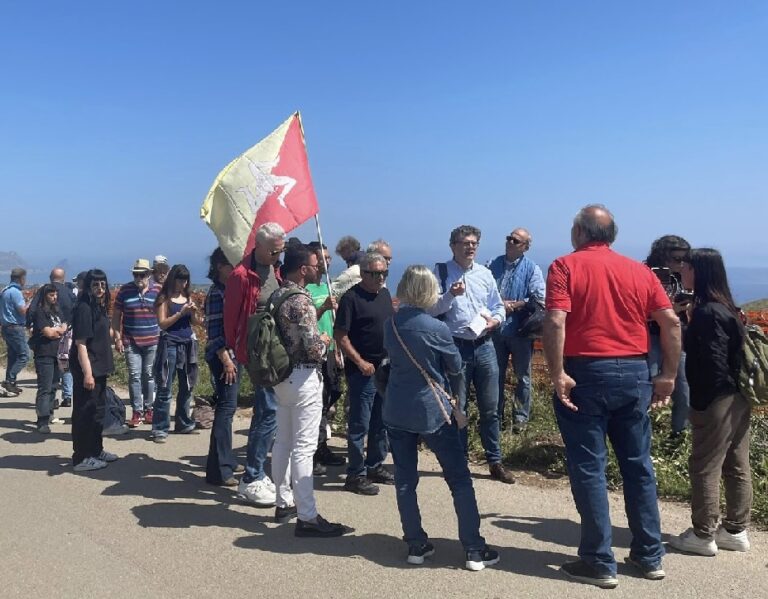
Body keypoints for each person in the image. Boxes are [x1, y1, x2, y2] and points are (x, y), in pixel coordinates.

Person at [542, 204, 681, 588]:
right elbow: (669, 322)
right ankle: (649, 555)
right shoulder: (639, 270)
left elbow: (555, 320)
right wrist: (667, 376)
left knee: (589, 468)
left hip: (586, 372)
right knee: (638, 466)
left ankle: (599, 562)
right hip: (635, 373)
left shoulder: (564, 266)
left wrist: (557, 373)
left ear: (580, 233)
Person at [383, 265, 500, 571]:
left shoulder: (391, 324)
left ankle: (415, 544)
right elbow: (455, 367)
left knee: (405, 480)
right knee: (459, 479)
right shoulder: (437, 329)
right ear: (429, 290)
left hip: (396, 409)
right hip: (432, 411)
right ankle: (474, 548)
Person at [668, 249, 753, 556]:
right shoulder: (727, 307)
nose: (682, 272)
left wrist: (700, 405)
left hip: (717, 398)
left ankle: (703, 534)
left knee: (704, 466)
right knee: (736, 464)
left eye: (686, 267)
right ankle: (735, 530)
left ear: (698, 272)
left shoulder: (709, 312)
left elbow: (712, 361)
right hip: (740, 397)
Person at [271, 245, 351, 537]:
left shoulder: (278, 295)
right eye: (316, 265)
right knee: (304, 447)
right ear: (303, 269)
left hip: (281, 377)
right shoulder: (301, 301)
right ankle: (307, 516)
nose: (320, 269)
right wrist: (326, 337)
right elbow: (314, 348)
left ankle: (283, 502)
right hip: (304, 377)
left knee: (283, 442)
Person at [428, 225, 515, 484]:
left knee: (491, 408)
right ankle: (460, 461)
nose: (471, 247)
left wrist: (496, 321)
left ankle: (495, 461)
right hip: (455, 346)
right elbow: (432, 309)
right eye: (465, 243)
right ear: (453, 245)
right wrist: (450, 296)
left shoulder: (485, 274)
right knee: (458, 408)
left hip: (485, 345)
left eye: (474, 243)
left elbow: (498, 306)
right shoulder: (440, 272)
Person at [225, 222, 285, 506]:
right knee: (268, 410)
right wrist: (238, 353)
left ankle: (257, 472)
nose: (277, 257)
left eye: (280, 252)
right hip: (256, 351)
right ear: (258, 246)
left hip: (275, 347)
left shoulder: (275, 268)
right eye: (273, 252)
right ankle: (252, 475)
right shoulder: (240, 275)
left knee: (272, 410)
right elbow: (232, 319)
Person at [334, 252, 395, 495]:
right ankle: (355, 474)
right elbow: (341, 336)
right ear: (363, 273)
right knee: (360, 424)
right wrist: (359, 362)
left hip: (385, 367)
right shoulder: (351, 298)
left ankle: (375, 465)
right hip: (363, 371)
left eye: (384, 273)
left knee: (381, 421)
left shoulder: (384, 294)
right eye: (375, 273)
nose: (381, 277)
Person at [487, 228, 545, 432]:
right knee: (495, 376)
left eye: (516, 240)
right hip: (496, 331)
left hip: (520, 332)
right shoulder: (492, 264)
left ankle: (520, 420)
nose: (510, 242)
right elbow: (483, 290)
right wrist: (501, 304)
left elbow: (539, 297)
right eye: (509, 238)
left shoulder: (532, 269)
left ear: (525, 247)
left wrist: (516, 305)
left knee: (523, 377)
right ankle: (496, 418)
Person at [70, 269, 119, 471]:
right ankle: (81, 457)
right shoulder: (83, 308)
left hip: (100, 365)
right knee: (85, 412)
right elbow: (81, 343)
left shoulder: (98, 306)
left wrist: (116, 335)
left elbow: (101, 332)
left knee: (97, 412)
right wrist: (87, 373)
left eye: (102, 284)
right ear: (88, 287)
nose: (100, 288)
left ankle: (96, 449)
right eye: (95, 285)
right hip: (88, 367)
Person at [645, 235, 692, 438]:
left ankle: (679, 436)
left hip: (677, 337)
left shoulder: (682, 275)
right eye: (676, 259)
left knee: (684, 391)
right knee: (648, 387)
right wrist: (666, 310)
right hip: (651, 335)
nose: (680, 264)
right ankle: (641, 437)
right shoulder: (645, 273)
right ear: (662, 256)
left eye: (684, 259)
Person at [305, 241, 345, 474]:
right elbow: (309, 320)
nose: (326, 262)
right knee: (316, 402)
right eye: (321, 258)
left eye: (328, 258)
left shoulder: (326, 286)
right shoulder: (308, 290)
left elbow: (331, 322)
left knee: (331, 395)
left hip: (330, 350)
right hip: (314, 351)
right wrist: (322, 308)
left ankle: (321, 446)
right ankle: (313, 451)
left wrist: (338, 347)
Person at [203, 248, 242, 487]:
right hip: (223, 357)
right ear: (220, 266)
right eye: (231, 265)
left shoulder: (229, 290)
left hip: (234, 355)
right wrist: (227, 360)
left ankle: (224, 458)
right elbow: (215, 332)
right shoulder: (217, 293)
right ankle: (220, 468)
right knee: (225, 410)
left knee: (228, 409)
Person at [151, 264, 201, 443]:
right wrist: (180, 313)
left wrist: (193, 313)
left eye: (185, 279)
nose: (183, 283)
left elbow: (195, 322)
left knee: (187, 385)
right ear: (174, 279)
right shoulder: (164, 298)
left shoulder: (188, 296)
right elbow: (163, 323)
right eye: (180, 279)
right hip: (170, 344)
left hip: (187, 344)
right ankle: (160, 427)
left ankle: (183, 421)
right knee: (165, 386)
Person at [112, 259, 161, 428]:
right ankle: (137, 411)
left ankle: (149, 409)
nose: (139, 277)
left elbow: (164, 313)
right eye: (136, 274)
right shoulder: (125, 290)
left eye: (142, 274)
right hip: (131, 340)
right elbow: (117, 315)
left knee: (149, 375)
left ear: (149, 274)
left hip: (153, 340)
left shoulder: (158, 290)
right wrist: (118, 337)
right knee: (134, 376)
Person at [27, 268, 77, 407]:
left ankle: (47, 411)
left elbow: (32, 310)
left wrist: (31, 325)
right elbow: (73, 313)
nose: (55, 297)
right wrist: (64, 329)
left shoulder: (44, 292)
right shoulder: (70, 292)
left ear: (51, 277)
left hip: (50, 343)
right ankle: (67, 396)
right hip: (64, 338)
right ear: (64, 277)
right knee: (65, 368)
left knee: (48, 383)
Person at [29, 284, 68, 433]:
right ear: (45, 296)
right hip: (44, 353)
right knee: (44, 388)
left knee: (53, 386)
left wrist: (57, 330)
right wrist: (58, 331)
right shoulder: (40, 312)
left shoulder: (57, 311)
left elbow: (64, 327)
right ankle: (42, 420)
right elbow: (48, 333)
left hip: (58, 353)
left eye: (55, 294)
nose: (54, 297)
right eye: (51, 295)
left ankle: (50, 414)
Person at [1, 268, 30, 395]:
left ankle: (10, 383)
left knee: (13, 356)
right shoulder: (16, 293)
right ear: (21, 279)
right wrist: (30, 304)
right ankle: (10, 380)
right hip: (16, 327)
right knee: (24, 356)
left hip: (6, 327)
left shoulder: (5, 291)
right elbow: (22, 311)